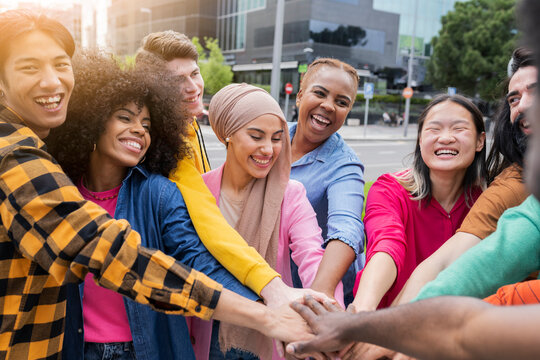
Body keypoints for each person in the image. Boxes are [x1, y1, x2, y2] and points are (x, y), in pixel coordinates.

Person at [0, 10, 311, 359]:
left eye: (61, 64)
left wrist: (270, 298)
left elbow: (198, 252)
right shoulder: (18, 159)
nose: (52, 82)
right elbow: (108, 252)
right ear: (94, 119)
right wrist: (265, 316)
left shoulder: (158, 190)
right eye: (29, 67)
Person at [284, 1, 540, 358]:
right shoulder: (392, 188)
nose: (445, 138)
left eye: (459, 129)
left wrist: (385, 335)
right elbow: (387, 246)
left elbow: (467, 269)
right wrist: (363, 313)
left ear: (482, 140)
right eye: (433, 129)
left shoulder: (494, 194)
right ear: (419, 141)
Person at [47, 51, 266, 359]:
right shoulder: (61, 191)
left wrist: (266, 303)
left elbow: (195, 258)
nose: (139, 130)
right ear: (93, 122)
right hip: (75, 349)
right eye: (125, 118)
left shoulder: (159, 194)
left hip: (146, 349)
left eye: (147, 124)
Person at [135, 31, 305, 307]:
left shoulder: (186, 125)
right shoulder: (161, 144)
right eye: (178, 80)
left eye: (195, 73)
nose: (193, 87)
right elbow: (206, 219)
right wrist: (270, 286)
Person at [192, 83, 343, 360]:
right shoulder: (197, 192)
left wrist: (330, 315)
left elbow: (312, 256)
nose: (268, 149)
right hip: (207, 331)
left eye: (276, 138)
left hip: (271, 334)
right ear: (228, 135)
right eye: (256, 136)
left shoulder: (291, 194)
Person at [394, 47, 536, 306]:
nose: (523, 105)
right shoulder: (517, 189)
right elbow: (448, 267)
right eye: (514, 99)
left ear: (481, 140)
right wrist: (380, 333)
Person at [289, 58, 365, 305]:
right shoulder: (271, 136)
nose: (329, 106)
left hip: (317, 292)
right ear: (300, 95)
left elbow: (347, 228)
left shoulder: (345, 165)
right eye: (320, 93)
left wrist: (319, 296)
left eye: (341, 102)